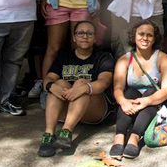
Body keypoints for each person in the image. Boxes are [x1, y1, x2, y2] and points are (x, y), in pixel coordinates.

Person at [37, 21, 116, 157]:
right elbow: (49, 78)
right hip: (68, 108)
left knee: (81, 83)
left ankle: (66, 132)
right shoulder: (64, 56)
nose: (84, 36)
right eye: (80, 33)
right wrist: (51, 86)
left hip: (95, 109)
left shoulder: (104, 57)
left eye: (89, 33)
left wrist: (83, 88)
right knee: (59, 82)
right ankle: (49, 134)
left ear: (95, 37)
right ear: (74, 37)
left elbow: (104, 82)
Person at [110, 20, 167, 159]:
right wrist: (123, 102)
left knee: (152, 91)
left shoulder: (163, 58)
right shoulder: (124, 59)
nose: (144, 38)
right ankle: (119, 137)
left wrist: (147, 100)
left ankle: (134, 137)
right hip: (132, 103)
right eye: (141, 34)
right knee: (129, 93)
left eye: (149, 35)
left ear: (154, 39)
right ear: (134, 36)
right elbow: (117, 88)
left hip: (156, 102)